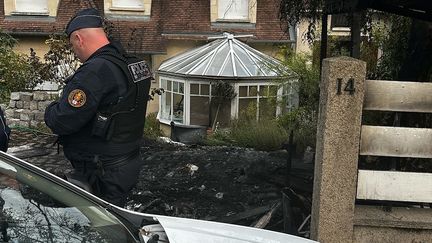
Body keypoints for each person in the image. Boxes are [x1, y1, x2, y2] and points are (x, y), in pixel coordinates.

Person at [44, 8, 152, 207]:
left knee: (105, 228)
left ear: (79, 38)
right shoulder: (135, 64)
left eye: (72, 45)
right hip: (127, 161)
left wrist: (50, 108)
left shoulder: (95, 71)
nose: (74, 51)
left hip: (102, 173)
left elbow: (62, 120)